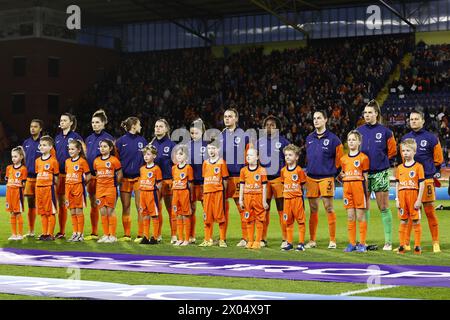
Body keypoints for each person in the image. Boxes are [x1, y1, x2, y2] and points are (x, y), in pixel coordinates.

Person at [399, 110, 444, 253]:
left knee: (430, 212)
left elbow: (438, 159)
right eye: (411, 119)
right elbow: (403, 159)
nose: (413, 121)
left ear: (423, 121)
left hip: (427, 180)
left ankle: (435, 242)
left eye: (416, 119)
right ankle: (405, 244)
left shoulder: (431, 138)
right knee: (411, 214)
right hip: (410, 183)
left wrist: (429, 172)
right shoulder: (405, 138)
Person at [357, 100, 397, 251]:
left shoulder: (386, 132)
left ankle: (388, 242)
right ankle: (363, 241)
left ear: (376, 114)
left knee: (384, 207)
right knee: (364, 207)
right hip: (363, 175)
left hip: (380, 172)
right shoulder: (358, 131)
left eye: (370, 112)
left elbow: (392, 152)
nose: (367, 115)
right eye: (365, 113)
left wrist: (382, 162)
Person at [305, 110, 344, 249]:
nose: (316, 120)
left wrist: (334, 173)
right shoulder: (309, 138)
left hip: (326, 177)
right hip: (311, 178)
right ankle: (312, 240)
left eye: (319, 118)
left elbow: (340, 160)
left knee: (329, 207)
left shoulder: (334, 139)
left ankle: (332, 240)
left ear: (325, 120)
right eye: (314, 118)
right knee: (313, 209)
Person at [257, 115, 290, 248]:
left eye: (272, 125)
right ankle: (262, 239)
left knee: (282, 210)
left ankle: (285, 239)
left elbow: (289, 160)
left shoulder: (284, 142)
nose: (269, 127)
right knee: (264, 210)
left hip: (278, 180)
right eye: (267, 125)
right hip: (264, 182)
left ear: (277, 127)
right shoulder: (259, 142)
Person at [220, 108, 251, 247]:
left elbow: (248, 156)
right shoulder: (220, 136)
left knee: (242, 208)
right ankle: (222, 238)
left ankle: (246, 237)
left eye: (230, 116)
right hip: (224, 178)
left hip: (238, 177)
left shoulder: (243, 135)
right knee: (222, 208)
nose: (227, 119)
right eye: (225, 116)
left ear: (236, 119)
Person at [115, 117, 147, 242]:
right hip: (125, 179)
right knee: (126, 206)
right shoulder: (120, 141)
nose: (141, 126)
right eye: (139, 124)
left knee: (140, 207)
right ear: (133, 125)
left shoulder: (142, 140)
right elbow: (117, 160)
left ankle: (140, 234)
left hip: (139, 178)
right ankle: (127, 235)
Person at [85, 109, 115, 241]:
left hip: (105, 178)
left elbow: (113, 159)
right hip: (91, 176)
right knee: (95, 205)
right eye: (93, 122)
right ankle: (95, 232)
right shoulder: (89, 139)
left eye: (97, 122)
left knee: (108, 207)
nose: (94, 125)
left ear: (103, 123)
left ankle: (111, 234)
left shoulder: (109, 138)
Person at [54, 113, 83, 239]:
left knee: (74, 205)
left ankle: (78, 232)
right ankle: (62, 231)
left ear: (71, 123)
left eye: (65, 120)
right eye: (61, 120)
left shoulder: (76, 137)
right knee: (62, 204)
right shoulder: (57, 137)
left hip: (72, 176)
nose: (62, 122)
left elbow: (83, 153)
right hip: (59, 175)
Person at [340, 131, 370, 253]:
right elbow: (342, 174)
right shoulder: (343, 159)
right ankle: (352, 243)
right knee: (350, 216)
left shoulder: (364, 158)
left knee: (360, 216)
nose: (351, 141)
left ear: (359, 142)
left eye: (353, 139)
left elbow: (366, 177)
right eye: (349, 139)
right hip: (347, 190)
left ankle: (362, 243)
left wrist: (366, 194)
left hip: (359, 189)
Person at [395, 139, 425, 255]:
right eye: (403, 151)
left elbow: (421, 183)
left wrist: (419, 199)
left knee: (416, 221)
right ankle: (402, 245)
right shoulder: (399, 168)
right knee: (403, 221)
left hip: (413, 196)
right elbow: (397, 184)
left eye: (408, 150)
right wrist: (397, 199)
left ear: (414, 152)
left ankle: (417, 246)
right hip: (402, 197)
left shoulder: (418, 167)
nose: (405, 153)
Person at [150, 119, 176, 243]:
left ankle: (174, 235)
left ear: (166, 129)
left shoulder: (171, 145)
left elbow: (177, 165)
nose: (158, 128)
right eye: (156, 126)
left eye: (160, 126)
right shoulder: (151, 145)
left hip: (168, 181)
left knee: (171, 209)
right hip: (154, 182)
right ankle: (157, 235)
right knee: (156, 209)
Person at [199, 137, 229, 247]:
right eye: (209, 148)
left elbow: (225, 179)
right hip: (207, 193)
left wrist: (223, 193)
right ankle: (207, 239)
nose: (211, 150)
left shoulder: (221, 162)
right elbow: (204, 178)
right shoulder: (205, 163)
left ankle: (222, 240)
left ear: (218, 149)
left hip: (218, 193)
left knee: (220, 216)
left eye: (213, 148)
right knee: (207, 217)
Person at [238, 148, 269, 250]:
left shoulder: (262, 170)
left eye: (251, 155)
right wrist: (240, 199)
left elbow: (264, 186)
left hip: (258, 197)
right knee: (249, 219)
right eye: (247, 155)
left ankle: (258, 241)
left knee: (260, 219)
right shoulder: (243, 170)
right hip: (247, 198)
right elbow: (242, 185)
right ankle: (250, 240)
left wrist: (264, 200)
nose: (248, 157)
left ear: (257, 157)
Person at [93, 139, 123, 243]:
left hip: (110, 189)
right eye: (101, 146)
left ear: (110, 148)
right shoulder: (96, 161)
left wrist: (115, 185)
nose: (102, 148)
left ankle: (113, 235)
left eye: (105, 146)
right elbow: (97, 173)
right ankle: (106, 235)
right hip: (100, 189)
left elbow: (119, 174)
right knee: (103, 212)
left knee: (110, 211)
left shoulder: (114, 160)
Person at [22, 119, 47, 237]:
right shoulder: (26, 142)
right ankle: (31, 231)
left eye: (35, 127)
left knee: (42, 205)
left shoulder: (44, 143)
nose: (32, 128)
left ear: (40, 128)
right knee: (30, 204)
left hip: (41, 179)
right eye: (31, 126)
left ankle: (45, 231)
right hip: (28, 179)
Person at [280, 144, 307, 251]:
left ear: (296, 157)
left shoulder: (299, 171)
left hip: (297, 200)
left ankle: (301, 243)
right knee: (288, 222)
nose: (287, 157)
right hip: (287, 200)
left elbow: (303, 184)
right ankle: (289, 243)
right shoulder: (283, 171)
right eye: (286, 155)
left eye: (290, 155)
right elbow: (283, 183)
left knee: (300, 221)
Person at [65, 139, 91, 242]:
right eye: (69, 149)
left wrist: (82, 184)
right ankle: (75, 233)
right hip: (68, 188)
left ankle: (80, 234)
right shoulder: (67, 161)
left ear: (79, 150)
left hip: (78, 188)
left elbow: (88, 175)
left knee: (78, 210)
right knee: (72, 211)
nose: (70, 151)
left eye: (73, 149)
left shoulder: (82, 161)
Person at [188, 118, 208, 244]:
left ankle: (208, 236)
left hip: (205, 183)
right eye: (192, 133)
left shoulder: (208, 146)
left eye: (196, 133)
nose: (194, 135)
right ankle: (191, 236)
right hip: (191, 183)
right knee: (191, 210)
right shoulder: (187, 146)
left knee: (207, 210)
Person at [35, 135, 59, 241]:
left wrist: (52, 186)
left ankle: (50, 234)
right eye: (41, 145)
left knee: (51, 211)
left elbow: (56, 177)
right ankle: (44, 233)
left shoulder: (53, 161)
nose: (42, 147)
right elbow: (37, 173)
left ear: (50, 147)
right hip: (39, 188)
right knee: (42, 212)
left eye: (44, 145)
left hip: (49, 188)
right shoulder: (37, 161)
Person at [138, 144, 163, 245]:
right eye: (145, 154)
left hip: (152, 194)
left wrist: (157, 193)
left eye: (148, 154)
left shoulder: (156, 168)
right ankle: (146, 236)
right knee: (145, 215)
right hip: (143, 193)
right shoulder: (142, 169)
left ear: (154, 156)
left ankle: (155, 237)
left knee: (154, 215)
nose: (146, 156)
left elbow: (160, 183)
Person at [172, 145, 194, 246]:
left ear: (186, 156)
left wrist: (191, 197)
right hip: (175, 193)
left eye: (181, 154)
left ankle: (186, 239)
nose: (178, 156)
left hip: (184, 193)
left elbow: (190, 183)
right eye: (177, 154)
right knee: (178, 215)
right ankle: (180, 238)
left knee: (186, 215)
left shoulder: (188, 168)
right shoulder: (174, 168)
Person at [5, 146, 27, 240]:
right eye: (12, 156)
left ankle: (20, 234)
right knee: (12, 213)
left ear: (21, 157)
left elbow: (24, 184)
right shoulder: (8, 168)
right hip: (9, 193)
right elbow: (7, 179)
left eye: (15, 156)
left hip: (17, 193)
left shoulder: (23, 169)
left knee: (18, 213)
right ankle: (14, 234)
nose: (13, 158)